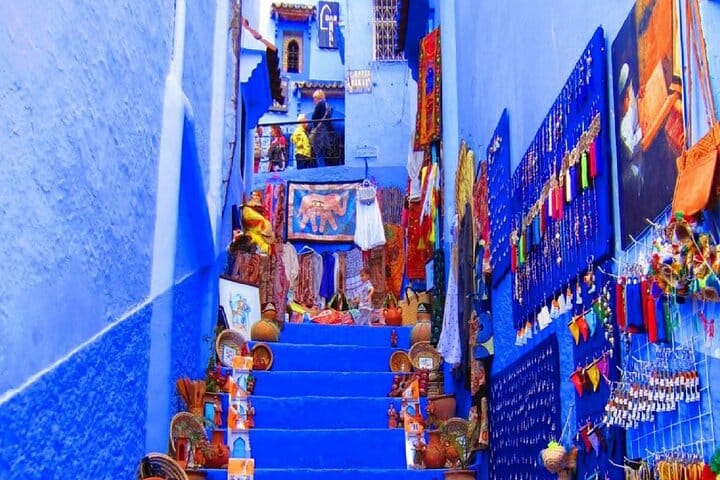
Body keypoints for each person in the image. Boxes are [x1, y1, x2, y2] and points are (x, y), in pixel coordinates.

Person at [310, 89, 334, 167]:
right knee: (323, 154)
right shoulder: (328, 106)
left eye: (314, 98)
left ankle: (321, 170)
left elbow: (313, 118)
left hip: (319, 133)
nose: (313, 101)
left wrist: (315, 126)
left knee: (319, 155)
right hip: (326, 133)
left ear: (318, 97)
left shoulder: (320, 104)